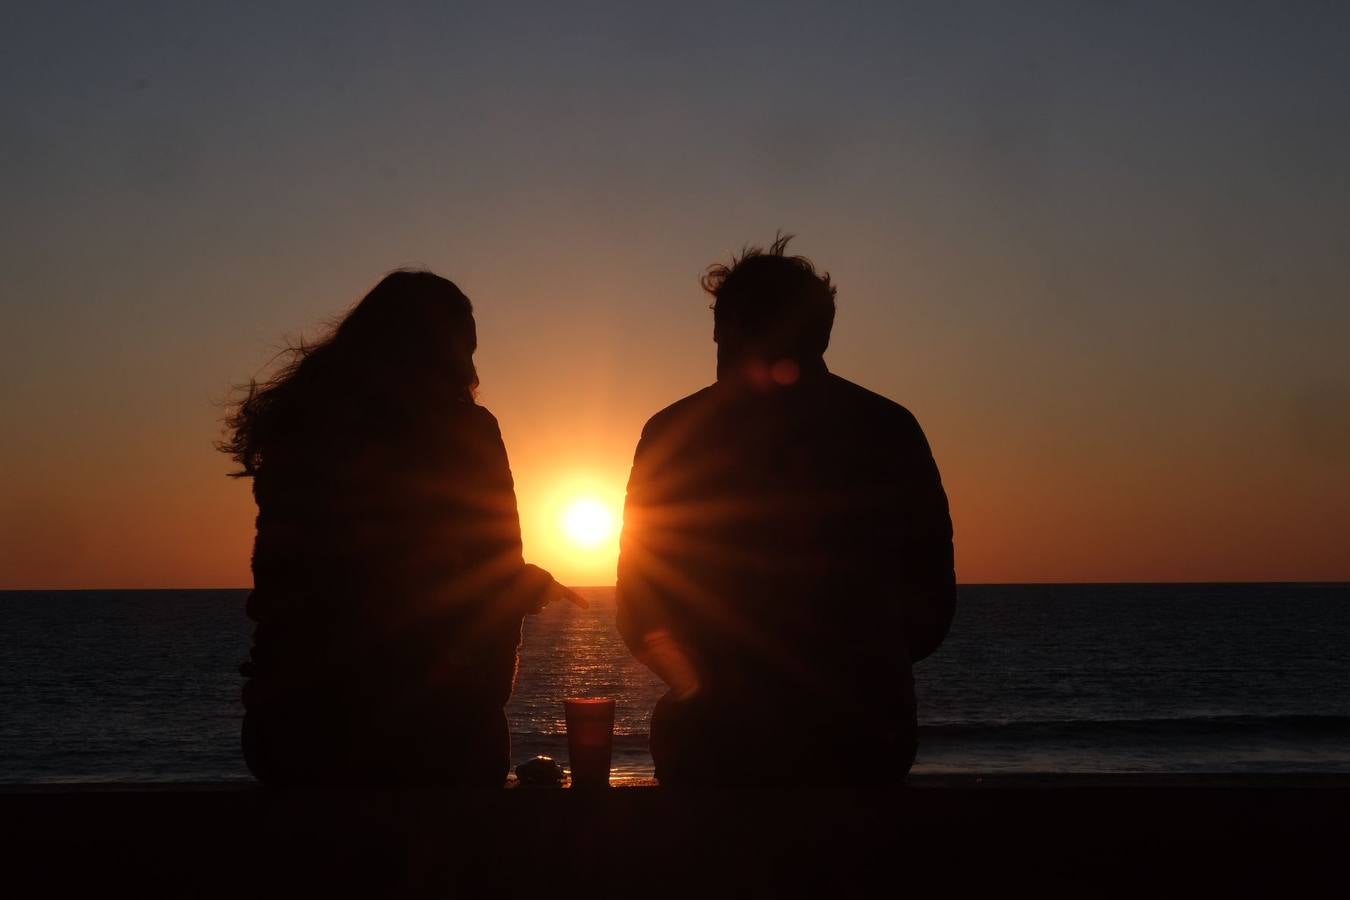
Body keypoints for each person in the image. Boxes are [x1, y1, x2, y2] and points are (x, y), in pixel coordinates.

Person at [616, 235, 955, 785]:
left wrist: (705, 687)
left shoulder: (673, 434)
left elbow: (638, 607)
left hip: (719, 742)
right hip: (859, 736)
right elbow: (931, 602)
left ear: (724, 331)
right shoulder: (888, 428)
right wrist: (857, 671)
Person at [220, 270, 580, 786]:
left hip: (292, 730)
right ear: (443, 353)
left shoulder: (304, 428)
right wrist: (523, 585)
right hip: (428, 734)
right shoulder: (466, 432)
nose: (473, 368)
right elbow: (486, 578)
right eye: (467, 350)